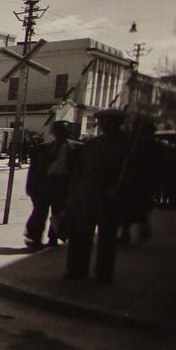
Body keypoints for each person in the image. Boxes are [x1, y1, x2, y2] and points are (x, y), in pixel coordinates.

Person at [66, 112, 131, 283]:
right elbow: (78, 171)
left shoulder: (126, 145)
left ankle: (104, 273)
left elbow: (130, 174)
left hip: (110, 196)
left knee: (107, 238)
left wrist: (120, 190)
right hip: (87, 194)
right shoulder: (92, 144)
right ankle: (77, 269)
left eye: (106, 122)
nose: (102, 125)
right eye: (102, 122)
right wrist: (73, 194)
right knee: (81, 234)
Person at [23, 122, 75, 249]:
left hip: (63, 184)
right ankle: (35, 239)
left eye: (63, 131)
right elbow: (34, 169)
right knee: (39, 212)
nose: (60, 134)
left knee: (59, 212)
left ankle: (54, 237)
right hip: (44, 184)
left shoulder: (77, 149)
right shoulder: (42, 148)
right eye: (57, 131)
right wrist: (30, 186)